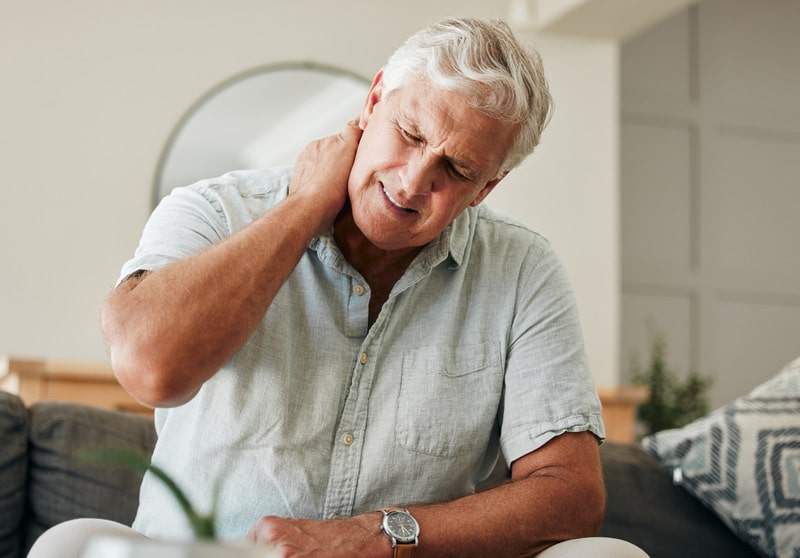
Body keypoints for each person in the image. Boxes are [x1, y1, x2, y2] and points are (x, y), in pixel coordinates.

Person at [29, 17, 648, 558]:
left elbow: (570, 497)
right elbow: (150, 369)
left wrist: (377, 538)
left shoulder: (523, 269)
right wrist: (306, 206)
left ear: (487, 187)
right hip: (204, 555)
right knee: (66, 546)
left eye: (456, 170)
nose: (411, 183)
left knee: (610, 556)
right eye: (410, 133)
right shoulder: (215, 209)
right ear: (375, 98)